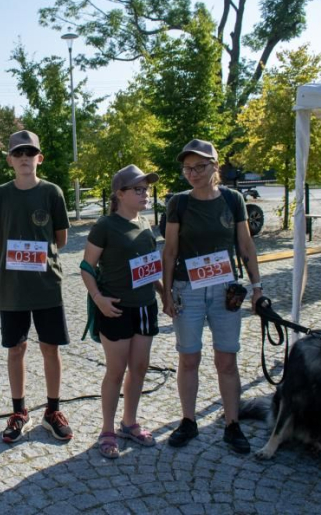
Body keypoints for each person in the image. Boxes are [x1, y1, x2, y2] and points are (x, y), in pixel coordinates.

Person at [161, 139, 263, 454]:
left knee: (226, 359)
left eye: (200, 166)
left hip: (225, 289)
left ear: (215, 166)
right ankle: (188, 420)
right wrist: (166, 294)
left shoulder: (233, 200)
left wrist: (258, 288)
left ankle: (233, 424)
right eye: (188, 168)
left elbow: (245, 246)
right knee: (188, 357)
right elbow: (170, 251)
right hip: (187, 288)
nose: (192, 173)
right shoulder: (178, 202)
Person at [0, 130, 74, 443]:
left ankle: (53, 410)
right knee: (16, 348)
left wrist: (37, 260)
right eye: (18, 154)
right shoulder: (0, 195)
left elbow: (60, 239)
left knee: (50, 347)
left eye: (29, 153)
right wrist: (10, 265)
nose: (24, 158)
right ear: (10, 160)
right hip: (12, 288)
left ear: (40, 157)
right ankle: (19, 410)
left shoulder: (52, 192)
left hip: (47, 284)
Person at [80, 164, 163, 459]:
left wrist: (164, 296)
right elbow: (86, 267)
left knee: (139, 368)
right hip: (115, 309)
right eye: (138, 189)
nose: (145, 194)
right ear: (120, 193)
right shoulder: (105, 225)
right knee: (116, 371)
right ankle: (107, 429)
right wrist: (98, 298)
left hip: (145, 307)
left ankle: (129, 422)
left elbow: (151, 268)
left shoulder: (145, 223)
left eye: (146, 189)